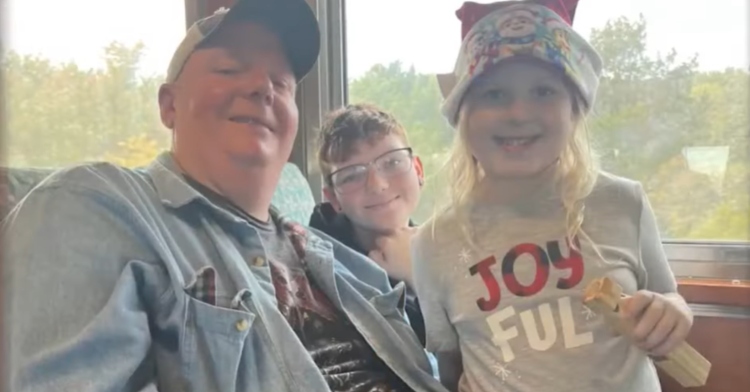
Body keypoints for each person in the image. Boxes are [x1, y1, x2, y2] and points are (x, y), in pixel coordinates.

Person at [3, 1, 447, 391]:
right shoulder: (91, 206)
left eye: (282, 82)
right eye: (229, 69)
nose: (262, 87)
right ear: (169, 104)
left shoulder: (346, 263)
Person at [410, 1, 694, 391]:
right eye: (493, 94)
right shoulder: (433, 242)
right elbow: (450, 362)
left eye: (544, 91)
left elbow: (667, 300)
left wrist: (673, 313)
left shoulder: (623, 203)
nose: (518, 112)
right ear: (462, 114)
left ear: (575, 109)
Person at [309, 103, 426, 345]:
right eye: (352, 175)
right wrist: (422, 281)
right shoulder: (320, 278)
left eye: (392, 163)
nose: (377, 185)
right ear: (333, 199)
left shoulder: (448, 246)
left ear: (418, 170)